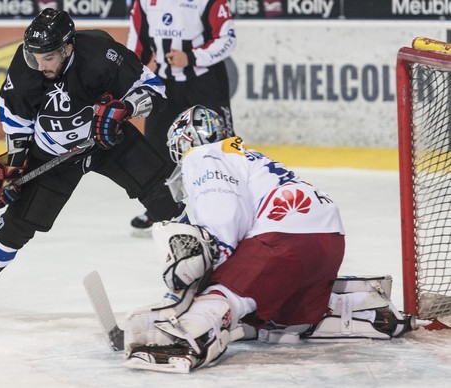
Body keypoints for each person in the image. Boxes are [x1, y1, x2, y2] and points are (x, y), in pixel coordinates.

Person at [122, 106, 415, 373]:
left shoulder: (203, 155)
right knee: (282, 327)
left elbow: (223, 219)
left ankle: (185, 342)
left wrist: (209, 278)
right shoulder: (242, 155)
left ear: (185, 140)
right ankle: (364, 309)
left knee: (221, 296)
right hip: (327, 238)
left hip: (287, 235)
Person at [0, 8, 188, 308]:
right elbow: (17, 122)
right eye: (34, 57)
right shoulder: (25, 68)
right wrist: (14, 166)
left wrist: (126, 109)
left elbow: (155, 90)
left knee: (163, 193)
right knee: (17, 222)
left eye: (48, 58)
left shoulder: (102, 55)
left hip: (106, 141)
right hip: (52, 153)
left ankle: (195, 265)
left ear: (68, 48)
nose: (39, 66)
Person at [126, 0, 237, 232]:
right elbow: (138, 42)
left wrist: (192, 57)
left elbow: (227, 38)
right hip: (166, 84)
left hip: (205, 82)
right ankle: (161, 208)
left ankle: (236, 203)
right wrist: (127, 77)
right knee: (156, 149)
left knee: (222, 145)